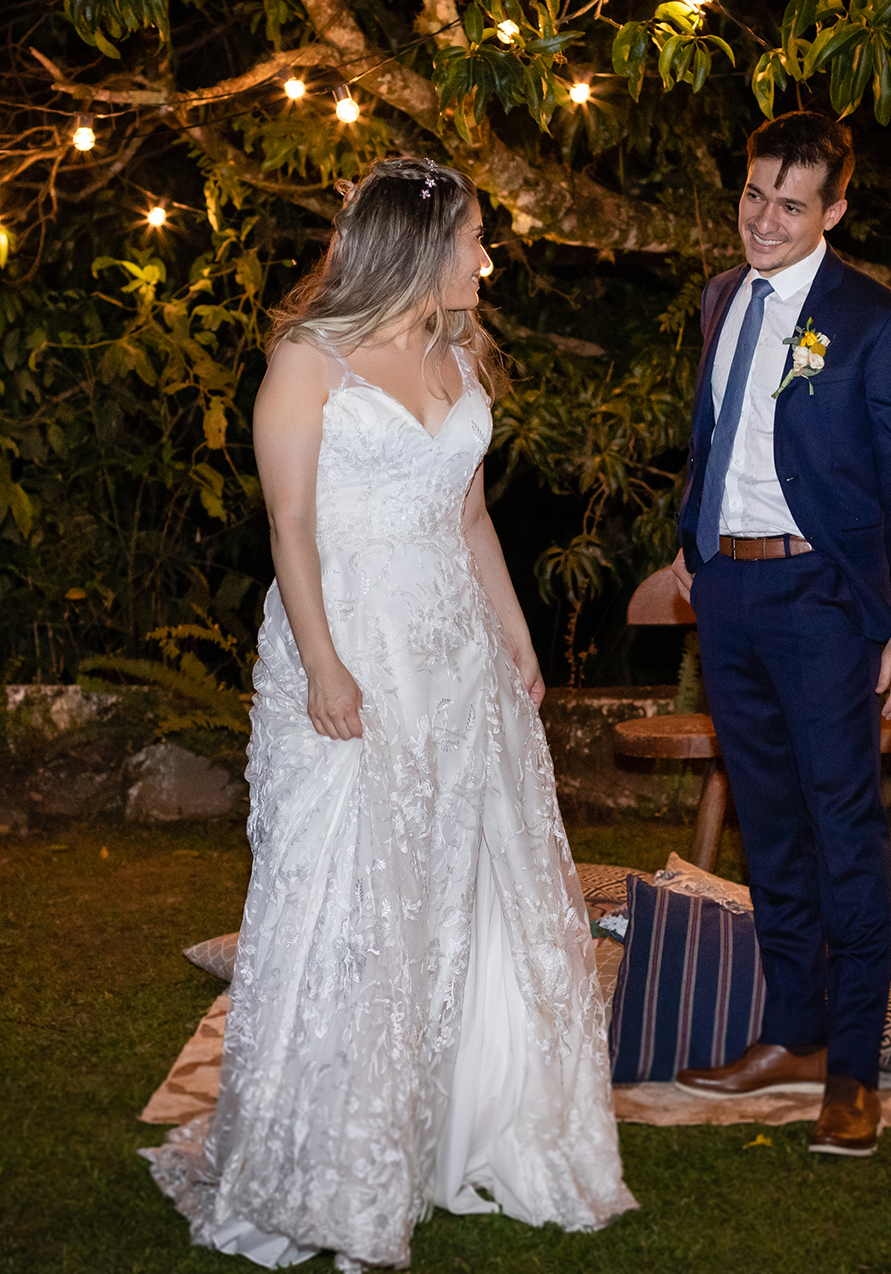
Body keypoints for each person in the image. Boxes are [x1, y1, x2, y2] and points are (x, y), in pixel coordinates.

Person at [142, 157, 636, 1270]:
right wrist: (322, 666)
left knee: (458, 887)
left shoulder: (460, 357)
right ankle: (332, 1163)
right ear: (419, 246)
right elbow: (289, 530)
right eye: (473, 238)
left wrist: (511, 631)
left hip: (451, 658)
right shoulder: (305, 362)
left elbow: (466, 520)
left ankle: (462, 1128)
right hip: (349, 647)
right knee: (349, 899)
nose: (486, 258)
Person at [666, 112, 891, 1157]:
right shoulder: (717, 300)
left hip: (826, 603)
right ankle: (791, 1032)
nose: (763, 221)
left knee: (842, 835)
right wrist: (690, 544)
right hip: (729, 601)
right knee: (769, 830)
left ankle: (854, 1071)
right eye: (752, 196)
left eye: (790, 204)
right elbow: (712, 434)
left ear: (833, 209)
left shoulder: (875, 321)